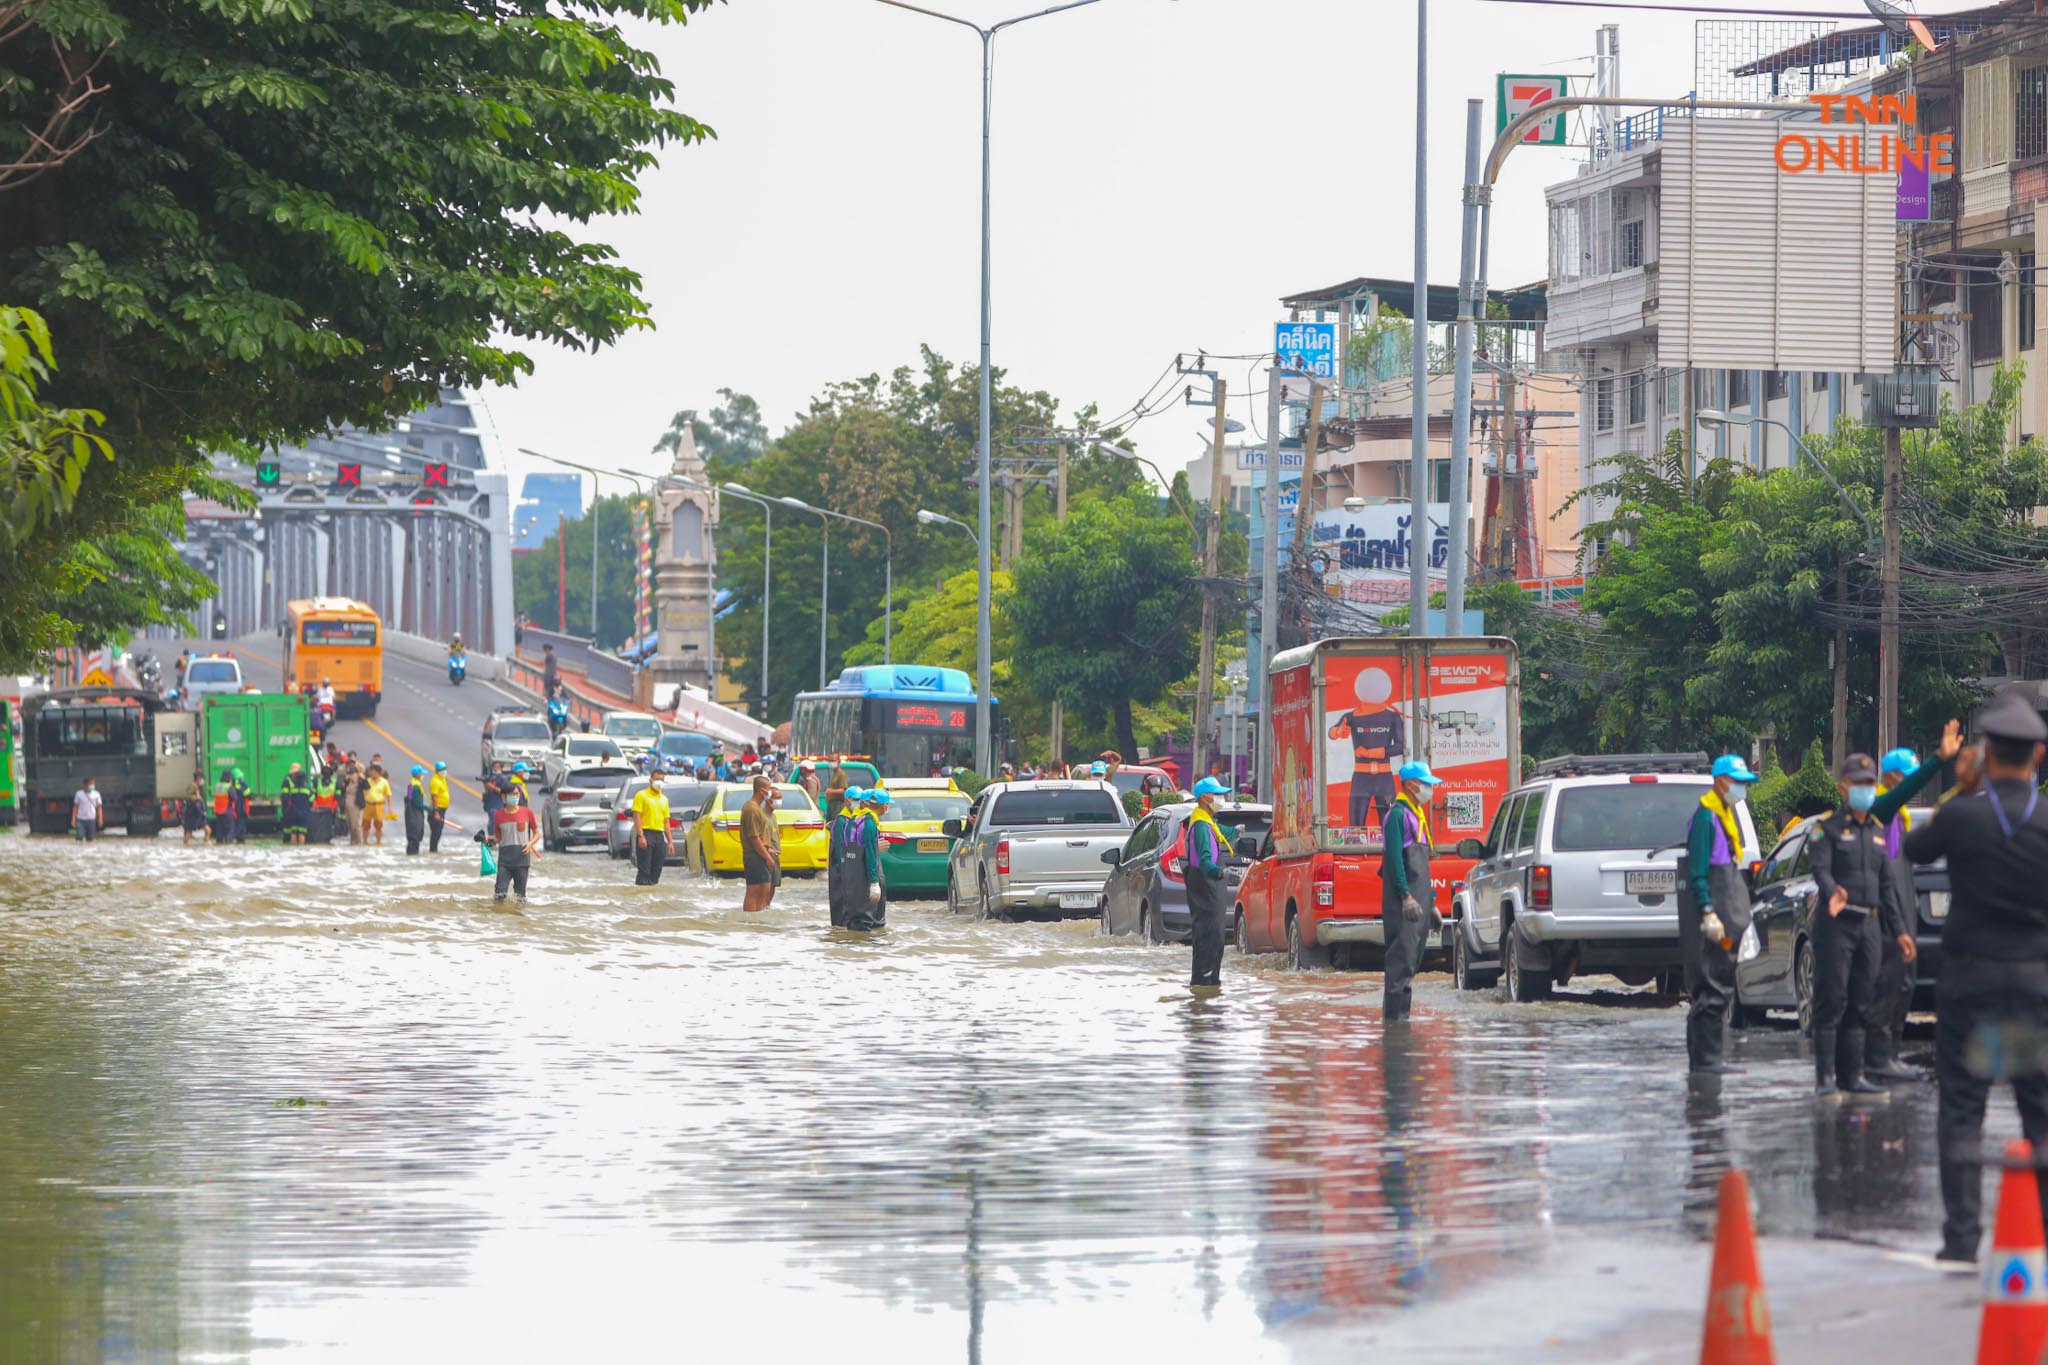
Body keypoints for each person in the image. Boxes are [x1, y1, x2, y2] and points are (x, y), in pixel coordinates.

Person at [1904, 704, 2048, 1265]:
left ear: (1985, 754)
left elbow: (1914, 850)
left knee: (1963, 1106)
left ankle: (1962, 1236)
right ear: (2038, 755)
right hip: (2035, 985)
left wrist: (1960, 789)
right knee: (2038, 1107)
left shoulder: (1963, 814)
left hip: (1970, 984)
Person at [1808, 755, 1901, 1098]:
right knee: (1832, 999)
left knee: (1861, 1001)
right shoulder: (1826, 828)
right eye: (1858, 783)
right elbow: (1821, 871)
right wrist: (1833, 892)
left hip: (1870, 925)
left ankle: (1853, 1076)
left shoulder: (1877, 830)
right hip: (1837, 925)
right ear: (1843, 787)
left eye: (1869, 782)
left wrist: (1901, 930)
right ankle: (1825, 1079)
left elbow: (1888, 886)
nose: (1865, 789)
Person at [1678, 755, 1761, 1077]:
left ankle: (1706, 1060)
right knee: (1710, 988)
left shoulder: (1723, 815)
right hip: (1713, 920)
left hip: (1727, 917)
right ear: (1721, 781)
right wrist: (1708, 913)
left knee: (1720, 985)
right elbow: (1698, 873)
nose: (1742, 788)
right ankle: (1705, 1061)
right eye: (1738, 781)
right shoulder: (1705, 819)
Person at [1869, 747, 1930, 1082]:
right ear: (1892, 776)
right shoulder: (1881, 810)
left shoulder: (1902, 817)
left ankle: (1891, 1054)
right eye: (1908, 776)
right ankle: (1878, 1058)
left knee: (1905, 985)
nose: (1912, 784)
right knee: (1887, 985)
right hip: (1886, 915)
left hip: (1905, 910)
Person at [1380, 761, 1443, 1023]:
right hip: (1403, 904)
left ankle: (1400, 1023)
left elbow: (1422, 868)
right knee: (1400, 965)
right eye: (1426, 783)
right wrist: (1406, 896)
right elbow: (1395, 861)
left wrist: (1431, 904)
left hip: (1419, 904)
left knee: (1411, 964)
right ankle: (1394, 1030)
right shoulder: (1397, 815)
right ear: (1410, 784)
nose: (1430, 789)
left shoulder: (1416, 814)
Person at [1328, 666, 1403, 840]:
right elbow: (1332, 732)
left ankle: (1391, 860)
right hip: (1361, 779)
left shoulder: (1392, 717)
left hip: (1384, 778)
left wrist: (1374, 752)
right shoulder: (1351, 717)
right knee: (1356, 828)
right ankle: (1357, 856)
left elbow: (1400, 746)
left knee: (1389, 828)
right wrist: (1338, 732)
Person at [1185, 776, 1237, 995]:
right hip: (1205, 890)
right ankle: (1203, 991)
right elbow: (1205, 862)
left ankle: (1207, 989)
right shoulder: (1201, 827)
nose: (1223, 798)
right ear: (1206, 797)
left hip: (1208, 892)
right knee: (1209, 940)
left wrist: (1239, 831)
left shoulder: (1208, 822)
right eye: (1219, 794)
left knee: (1215, 939)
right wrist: (1221, 872)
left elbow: (1225, 832)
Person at [488, 784, 542, 904]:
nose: (515, 796)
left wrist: (530, 843)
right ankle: (498, 919)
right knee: (499, 895)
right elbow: (498, 838)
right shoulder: (498, 815)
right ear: (504, 797)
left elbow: (537, 833)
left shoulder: (527, 812)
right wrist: (487, 839)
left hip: (522, 860)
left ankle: (519, 920)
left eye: (517, 794)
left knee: (520, 896)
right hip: (504, 861)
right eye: (512, 794)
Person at [845, 788, 889, 931]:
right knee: (867, 924)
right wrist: (874, 883)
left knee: (856, 924)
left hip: (853, 880)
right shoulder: (869, 824)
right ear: (884, 806)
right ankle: (868, 952)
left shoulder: (854, 819)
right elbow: (869, 853)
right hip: (865, 880)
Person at [740, 775, 782, 912]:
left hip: (760, 854)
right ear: (762, 790)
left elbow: (759, 838)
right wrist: (767, 857)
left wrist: (768, 850)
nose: (770, 793)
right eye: (769, 789)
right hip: (754, 856)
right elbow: (754, 838)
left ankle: (758, 921)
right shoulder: (751, 809)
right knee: (755, 891)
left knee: (764, 889)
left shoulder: (756, 808)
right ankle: (750, 921)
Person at [826, 785, 866, 927]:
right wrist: (845, 870)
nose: (858, 803)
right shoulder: (841, 821)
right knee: (841, 903)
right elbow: (839, 850)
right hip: (840, 870)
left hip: (851, 869)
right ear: (847, 801)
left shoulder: (858, 819)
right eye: (855, 799)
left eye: (861, 800)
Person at [631, 769, 672, 886]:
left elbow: (666, 822)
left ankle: (652, 897)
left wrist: (670, 841)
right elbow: (637, 816)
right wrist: (641, 836)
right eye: (657, 779)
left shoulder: (664, 799)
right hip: (646, 833)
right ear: (651, 780)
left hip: (659, 836)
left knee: (656, 871)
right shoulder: (641, 795)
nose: (660, 782)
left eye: (662, 780)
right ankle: (642, 898)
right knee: (644, 871)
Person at [279, 762, 313, 846]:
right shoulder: (306, 787)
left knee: (293, 832)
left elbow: (287, 797)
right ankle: (299, 850)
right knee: (301, 832)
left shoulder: (293, 787)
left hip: (292, 811)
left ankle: (292, 849)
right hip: (298, 811)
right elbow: (311, 800)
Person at [403, 764, 429, 854]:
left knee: (412, 840)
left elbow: (409, 800)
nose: (422, 775)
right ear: (417, 775)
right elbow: (417, 803)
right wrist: (429, 809)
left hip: (410, 815)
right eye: (421, 773)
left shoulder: (411, 784)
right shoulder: (416, 787)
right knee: (414, 840)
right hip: (414, 816)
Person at [310, 763, 339, 844]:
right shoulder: (317, 781)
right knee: (318, 827)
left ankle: (328, 839)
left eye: (328, 770)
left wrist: (335, 804)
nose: (326, 772)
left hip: (330, 810)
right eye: (325, 770)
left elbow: (338, 796)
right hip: (318, 810)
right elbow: (313, 794)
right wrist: (314, 803)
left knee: (329, 827)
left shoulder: (335, 782)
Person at [341, 756, 367, 845]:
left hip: (356, 805)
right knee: (350, 825)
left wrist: (361, 777)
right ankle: (353, 841)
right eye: (350, 774)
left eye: (353, 773)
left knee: (356, 825)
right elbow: (342, 790)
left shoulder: (360, 782)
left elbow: (367, 786)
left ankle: (359, 841)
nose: (352, 775)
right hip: (347, 805)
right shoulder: (348, 782)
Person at [363, 765, 391, 845]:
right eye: (370, 771)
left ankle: (378, 842)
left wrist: (390, 808)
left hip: (379, 805)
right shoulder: (367, 781)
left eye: (373, 771)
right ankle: (365, 841)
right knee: (365, 825)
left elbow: (389, 795)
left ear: (378, 772)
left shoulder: (384, 782)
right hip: (368, 805)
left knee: (378, 824)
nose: (371, 773)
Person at [428, 760, 452, 852]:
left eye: (445, 769)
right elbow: (434, 797)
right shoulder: (435, 781)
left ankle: (434, 849)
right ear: (437, 770)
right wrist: (436, 811)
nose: (444, 771)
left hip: (442, 809)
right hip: (437, 810)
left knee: (438, 832)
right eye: (442, 769)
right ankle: (433, 850)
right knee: (436, 832)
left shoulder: (442, 779)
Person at [181, 770, 208, 844]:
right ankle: (185, 845)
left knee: (208, 830)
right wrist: (196, 797)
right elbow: (187, 795)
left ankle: (206, 844)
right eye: (202, 778)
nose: (203, 780)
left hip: (197, 812)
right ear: (198, 778)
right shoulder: (192, 786)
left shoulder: (196, 787)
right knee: (189, 832)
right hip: (192, 812)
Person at [71, 777, 102, 841]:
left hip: (91, 819)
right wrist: (73, 818)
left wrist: (100, 818)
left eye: (93, 784)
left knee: (90, 839)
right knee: (79, 837)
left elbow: (99, 807)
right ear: (85, 785)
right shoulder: (79, 794)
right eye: (91, 784)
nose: (92, 786)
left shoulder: (96, 794)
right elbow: (75, 807)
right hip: (81, 819)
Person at [212, 766, 236, 844]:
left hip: (218, 812)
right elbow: (235, 798)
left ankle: (219, 845)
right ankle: (228, 847)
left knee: (219, 832)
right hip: (227, 811)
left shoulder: (217, 786)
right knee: (229, 831)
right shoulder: (229, 786)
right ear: (229, 778)